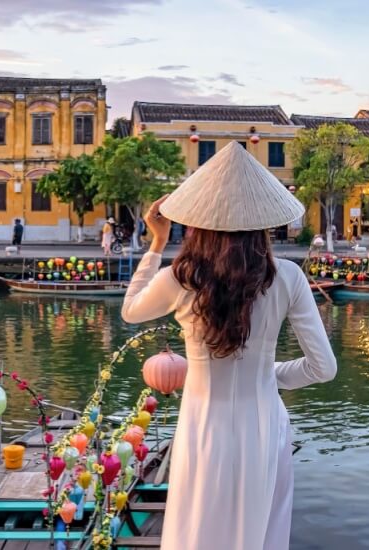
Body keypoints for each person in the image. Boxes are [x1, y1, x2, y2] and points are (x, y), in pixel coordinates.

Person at [121, 143, 336, 550]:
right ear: (263, 222)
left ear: (200, 220)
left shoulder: (181, 277)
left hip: (203, 425)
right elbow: (322, 368)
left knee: (198, 529)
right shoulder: (288, 276)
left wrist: (156, 244)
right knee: (262, 532)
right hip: (265, 423)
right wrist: (266, 374)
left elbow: (131, 310)